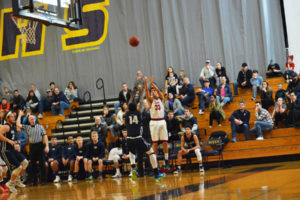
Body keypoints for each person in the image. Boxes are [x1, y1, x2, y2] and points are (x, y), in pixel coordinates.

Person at [124, 102, 165, 181]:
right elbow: (139, 108)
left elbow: (129, 106)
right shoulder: (138, 113)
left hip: (129, 139)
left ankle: (133, 169)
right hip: (138, 138)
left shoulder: (127, 114)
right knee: (151, 152)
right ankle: (156, 173)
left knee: (131, 152)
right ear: (136, 107)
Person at [144, 76, 170, 170]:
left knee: (165, 142)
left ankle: (167, 161)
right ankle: (154, 165)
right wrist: (146, 83)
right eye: (152, 91)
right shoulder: (151, 101)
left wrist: (152, 85)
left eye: (154, 91)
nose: (153, 92)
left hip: (162, 121)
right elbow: (146, 91)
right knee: (154, 143)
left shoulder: (161, 98)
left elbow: (158, 90)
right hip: (154, 123)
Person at [16, 111, 48, 186]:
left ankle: (44, 181)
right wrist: (19, 115)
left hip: (40, 146)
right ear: (29, 120)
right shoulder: (27, 127)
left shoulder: (40, 127)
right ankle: (34, 181)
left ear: (35, 119)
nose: (32, 120)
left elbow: (45, 136)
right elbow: (17, 124)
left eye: (33, 119)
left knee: (42, 164)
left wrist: (47, 146)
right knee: (32, 165)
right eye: (30, 119)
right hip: (32, 146)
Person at [0, 111, 29, 193]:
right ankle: (10, 183)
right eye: (11, 117)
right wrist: (9, 141)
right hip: (5, 151)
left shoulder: (12, 126)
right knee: (18, 167)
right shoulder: (6, 126)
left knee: (25, 162)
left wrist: (20, 115)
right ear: (7, 118)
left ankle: (17, 180)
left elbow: (18, 124)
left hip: (12, 150)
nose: (13, 118)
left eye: (14, 116)